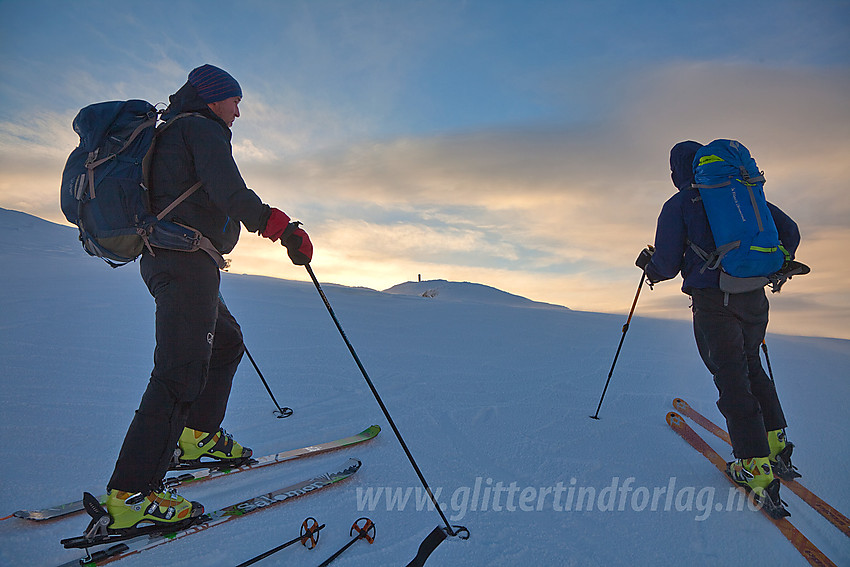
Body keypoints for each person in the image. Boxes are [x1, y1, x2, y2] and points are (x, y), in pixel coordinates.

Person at [103, 64, 313, 532]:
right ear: (214, 98)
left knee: (226, 342)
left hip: (180, 260)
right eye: (235, 101)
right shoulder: (201, 128)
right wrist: (284, 228)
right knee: (179, 372)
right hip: (182, 262)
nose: (238, 111)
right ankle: (131, 493)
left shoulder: (177, 130)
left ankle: (197, 437)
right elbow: (232, 194)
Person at [636, 140, 801, 514]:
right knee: (752, 367)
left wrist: (649, 267)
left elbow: (666, 262)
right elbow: (788, 230)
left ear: (680, 170)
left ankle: (754, 466)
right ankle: (776, 446)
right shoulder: (742, 196)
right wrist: (776, 261)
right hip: (755, 298)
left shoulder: (680, 205)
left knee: (731, 379)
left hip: (715, 304)